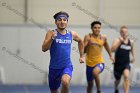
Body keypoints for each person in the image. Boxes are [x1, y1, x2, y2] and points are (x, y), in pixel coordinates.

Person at [42, 11, 84, 93]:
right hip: (54, 68)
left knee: (65, 82)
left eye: (64, 20)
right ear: (55, 22)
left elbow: (81, 41)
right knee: (54, 90)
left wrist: (82, 56)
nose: (62, 22)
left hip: (66, 66)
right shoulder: (51, 33)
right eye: (59, 20)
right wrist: (52, 38)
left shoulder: (72, 34)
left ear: (67, 21)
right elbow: (44, 48)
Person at [84, 21, 114, 93]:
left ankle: (99, 90)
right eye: (95, 28)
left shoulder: (103, 37)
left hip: (99, 62)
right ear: (91, 28)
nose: (97, 29)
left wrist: (111, 56)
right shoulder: (88, 37)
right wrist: (87, 44)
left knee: (95, 72)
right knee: (90, 85)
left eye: (99, 28)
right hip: (89, 64)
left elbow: (106, 46)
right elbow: (83, 50)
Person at [111, 26, 135, 93]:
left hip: (126, 63)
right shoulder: (117, 40)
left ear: (127, 33)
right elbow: (112, 50)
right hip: (117, 64)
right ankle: (116, 88)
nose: (124, 33)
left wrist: (133, 57)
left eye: (125, 32)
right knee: (117, 80)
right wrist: (119, 42)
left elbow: (132, 49)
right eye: (122, 32)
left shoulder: (131, 41)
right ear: (120, 33)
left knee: (126, 77)